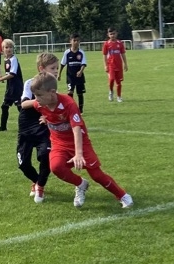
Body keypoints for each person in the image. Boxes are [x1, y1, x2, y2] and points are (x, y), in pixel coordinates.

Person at [29, 72, 133, 208]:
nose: (36, 99)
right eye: (35, 95)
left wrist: (79, 154)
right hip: (59, 144)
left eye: (39, 95)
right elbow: (27, 105)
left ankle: (122, 195)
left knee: (97, 175)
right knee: (56, 167)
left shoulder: (68, 104)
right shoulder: (39, 104)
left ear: (52, 92)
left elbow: (76, 129)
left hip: (80, 143)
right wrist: (40, 114)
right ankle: (81, 184)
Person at [18, 52, 59, 203]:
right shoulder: (30, 83)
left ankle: (40, 187)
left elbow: (55, 107)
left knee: (45, 156)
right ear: (42, 69)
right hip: (26, 126)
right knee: (23, 164)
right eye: (53, 68)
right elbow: (24, 104)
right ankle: (36, 181)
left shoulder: (53, 86)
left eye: (57, 68)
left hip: (42, 126)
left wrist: (48, 116)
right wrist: (40, 102)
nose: (56, 71)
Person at [0, 38, 23, 132]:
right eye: (6, 47)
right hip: (10, 87)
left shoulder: (13, 59)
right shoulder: (6, 59)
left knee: (20, 108)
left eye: (11, 47)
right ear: (3, 49)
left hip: (16, 87)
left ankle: (28, 126)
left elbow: (12, 75)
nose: (9, 49)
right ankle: (3, 127)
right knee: (4, 106)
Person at [57, 34, 87, 113]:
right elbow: (62, 64)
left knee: (80, 93)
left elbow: (84, 64)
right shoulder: (67, 53)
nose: (76, 42)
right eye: (74, 40)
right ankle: (71, 109)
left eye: (78, 40)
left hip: (79, 77)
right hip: (70, 77)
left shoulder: (81, 52)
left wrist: (80, 71)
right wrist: (59, 74)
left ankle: (80, 110)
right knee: (70, 92)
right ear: (70, 41)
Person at [102, 27, 128, 102]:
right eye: (111, 34)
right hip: (111, 65)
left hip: (119, 65)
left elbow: (123, 54)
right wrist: (105, 65)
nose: (112, 35)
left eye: (114, 34)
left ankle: (119, 97)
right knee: (111, 79)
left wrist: (125, 64)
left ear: (116, 34)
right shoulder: (106, 44)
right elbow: (104, 55)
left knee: (119, 82)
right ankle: (111, 92)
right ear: (108, 35)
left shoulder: (120, 43)